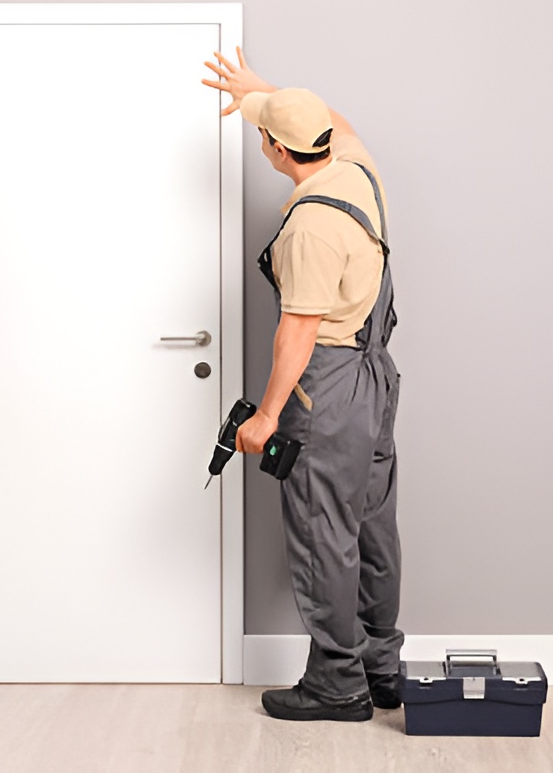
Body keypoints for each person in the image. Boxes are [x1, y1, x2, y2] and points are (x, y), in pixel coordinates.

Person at [203, 49, 403, 722]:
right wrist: (261, 92)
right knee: (370, 527)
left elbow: (298, 331)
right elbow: (339, 121)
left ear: (274, 149)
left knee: (324, 534)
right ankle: (380, 665)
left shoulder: (310, 227)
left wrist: (265, 417)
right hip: (375, 380)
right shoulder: (358, 171)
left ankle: (337, 684)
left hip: (329, 387)